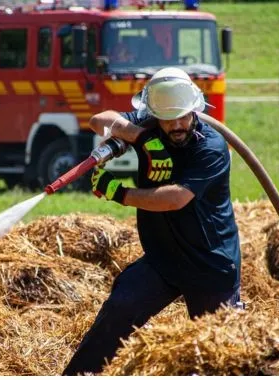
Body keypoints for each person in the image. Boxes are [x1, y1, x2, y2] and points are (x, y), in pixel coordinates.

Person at [62, 67, 242, 375]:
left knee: (219, 353)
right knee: (119, 308)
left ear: (195, 110)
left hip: (209, 264)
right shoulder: (149, 127)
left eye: (183, 117)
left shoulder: (211, 147)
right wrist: (141, 137)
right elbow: (98, 121)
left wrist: (118, 192)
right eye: (167, 119)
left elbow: (175, 199)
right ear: (154, 114)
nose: (176, 125)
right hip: (163, 260)